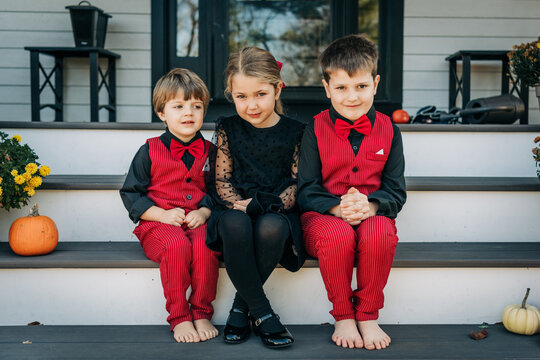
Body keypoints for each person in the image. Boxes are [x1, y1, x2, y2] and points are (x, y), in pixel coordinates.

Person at [297, 34, 406, 351]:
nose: (352, 97)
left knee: (380, 234)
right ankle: (343, 315)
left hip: (371, 212)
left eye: (360, 86)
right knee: (337, 236)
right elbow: (306, 189)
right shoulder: (314, 129)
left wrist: (371, 207)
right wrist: (337, 209)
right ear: (327, 88)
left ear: (375, 84)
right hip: (323, 216)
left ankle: (368, 315)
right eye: (341, 88)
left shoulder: (390, 129)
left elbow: (396, 191)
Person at [205, 47, 305, 348]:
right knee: (236, 224)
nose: (251, 105)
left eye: (260, 94)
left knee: (271, 226)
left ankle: (240, 308)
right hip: (233, 208)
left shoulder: (297, 131)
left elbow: (298, 184)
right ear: (231, 95)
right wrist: (240, 204)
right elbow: (221, 180)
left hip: (277, 208)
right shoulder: (227, 128)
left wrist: (261, 204)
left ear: (278, 88)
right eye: (241, 96)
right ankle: (262, 313)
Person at [120, 68, 220, 343]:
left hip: (197, 221)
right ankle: (179, 317)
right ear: (162, 113)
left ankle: (201, 311)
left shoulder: (212, 153)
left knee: (205, 246)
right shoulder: (149, 150)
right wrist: (162, 215)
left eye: (196, 106)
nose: (188, 112)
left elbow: (217, 190)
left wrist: (204, 211)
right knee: (177, 246)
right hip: (157, 226)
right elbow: (131, 194)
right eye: (178, 106)